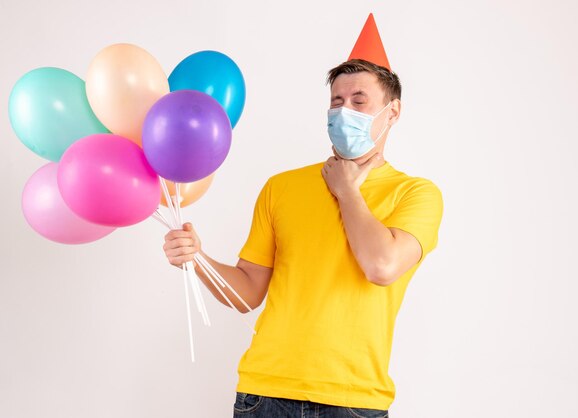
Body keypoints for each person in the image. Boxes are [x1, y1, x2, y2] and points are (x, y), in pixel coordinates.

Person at [163, 58, 443, 417]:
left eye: (359, 101)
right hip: (263, 394)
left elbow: (381, 266)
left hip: (353, 400)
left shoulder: (416, 194)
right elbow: (247, 293)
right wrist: (196, 259)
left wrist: (347, 191)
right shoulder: (282, 187)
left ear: (393, 112)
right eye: (336, 102)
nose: (345, 112)